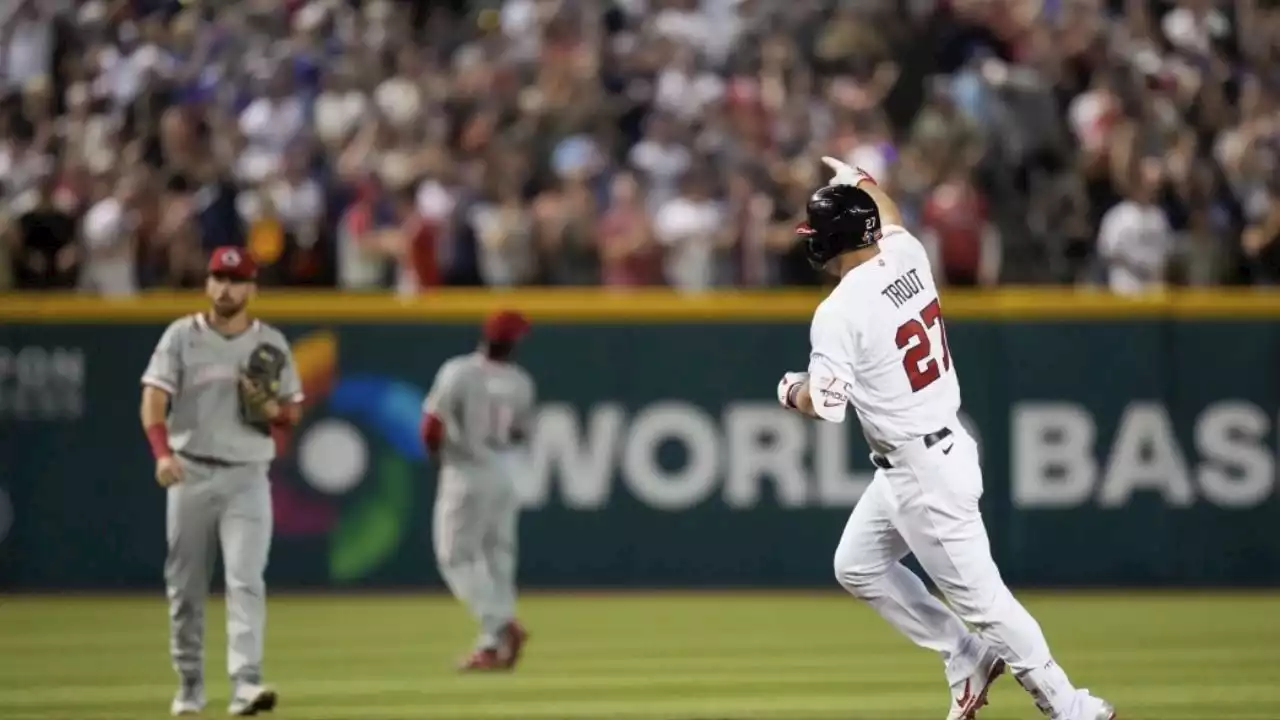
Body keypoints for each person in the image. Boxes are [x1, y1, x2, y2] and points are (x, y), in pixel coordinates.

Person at [775, 158, 1116, 720]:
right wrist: (862, 180)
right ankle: (965, 654)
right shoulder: (906, 256)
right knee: (858, 565)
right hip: (934, 450)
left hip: (922, 472)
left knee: (986, 603)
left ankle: (1073, 707)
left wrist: (793, 392)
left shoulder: (837, 311)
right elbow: (890, 218)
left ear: (830, 240)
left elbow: (828, 406)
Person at [140, 247, 303, 716]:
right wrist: (161, 453)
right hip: (190, 470)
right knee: (186, 587)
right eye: (219, 278)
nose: (226, 287)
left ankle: (244, 684)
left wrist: (272, 410)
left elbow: (290, 412)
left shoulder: (269, 342)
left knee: (245, 580)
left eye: (236, 279)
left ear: (252, 288)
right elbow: (153, 399)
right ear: (208, 283)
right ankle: (190, 685)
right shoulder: (181, 336)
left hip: (248, 475)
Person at [421, 309, 537, 671]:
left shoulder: (459, 371)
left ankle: (500, 623)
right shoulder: (520, 381)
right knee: (498, 560)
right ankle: (491, 646)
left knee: (454, 558)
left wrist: (439, 460)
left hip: (466, 472)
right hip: (503, 474)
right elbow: (519, 433)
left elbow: (430, 426)